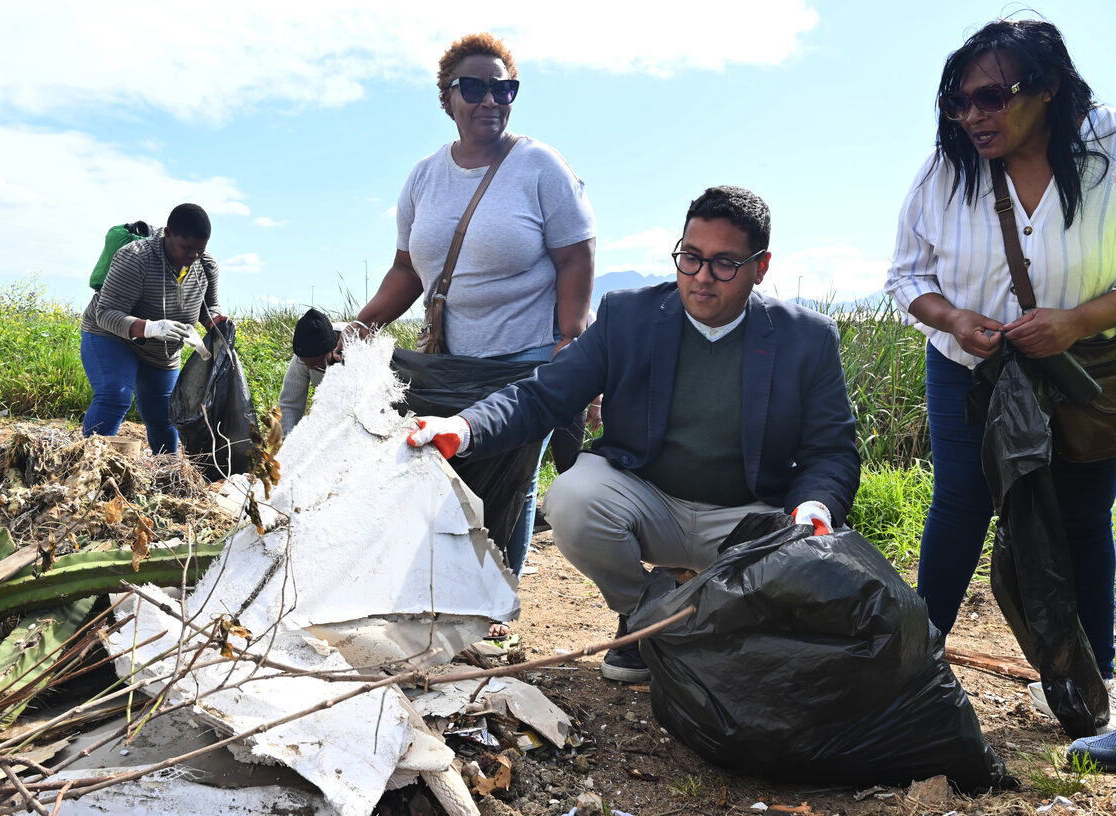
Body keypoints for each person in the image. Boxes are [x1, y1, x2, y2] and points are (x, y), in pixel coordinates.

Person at [408, 186, 860, 682]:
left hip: (745, 522)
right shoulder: (628, 317)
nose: (702, 278)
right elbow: (543, 396)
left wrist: (814, 510)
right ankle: (644, 615)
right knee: (574, 497)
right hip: (650, 503)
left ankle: (707, 621)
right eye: (690, 258)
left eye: (724, 264)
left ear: (761, 266)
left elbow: (830, 452)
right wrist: (463, 427)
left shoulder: (807, 338)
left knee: (774, 637)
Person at [884, 18, 1116, 723]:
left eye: (989, 98)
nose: (971, 116)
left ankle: (1095, 689)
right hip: (969, 369)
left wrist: (1076, 321)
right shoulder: (944, 170)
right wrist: (954, 319)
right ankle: (914, 669)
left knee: (1081, 516)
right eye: (957, 102)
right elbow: (905, 275)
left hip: (1088, 367)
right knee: (961, 502)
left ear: (1044, 89)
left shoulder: (1107, 147)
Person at [347, 32, 596, 598]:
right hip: (451, 360)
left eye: (504, 88)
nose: (491, 100)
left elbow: (575, 254)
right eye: (476, 87)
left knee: (512, 476)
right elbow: (408, 270)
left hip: (527, 353)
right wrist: (363, 327)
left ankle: (497, 599)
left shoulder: (539, 166)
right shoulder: (424, 177)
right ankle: (452, 591)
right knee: (449, 471)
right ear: (448, 98)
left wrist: (569, 338)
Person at [80, 203, 225, 454]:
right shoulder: (136, 257)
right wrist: (149, 328)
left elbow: (208, 306)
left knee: (164, 415)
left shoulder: (205, 266)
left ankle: (167, 472)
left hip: (162, 351)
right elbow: (105, 313)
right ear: (168, 234)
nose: (193, 255)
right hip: (112, 337)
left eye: (200, 249)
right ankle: (90, 465)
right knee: (116, 395)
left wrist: (216, 322)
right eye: (187, 248)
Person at [279, 309, 342, 438]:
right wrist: (288, 443)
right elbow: (290, 404)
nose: (310, 367)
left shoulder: (358, 349)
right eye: (306, 363)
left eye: (316, 362)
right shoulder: (301, 359)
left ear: (332, 351)